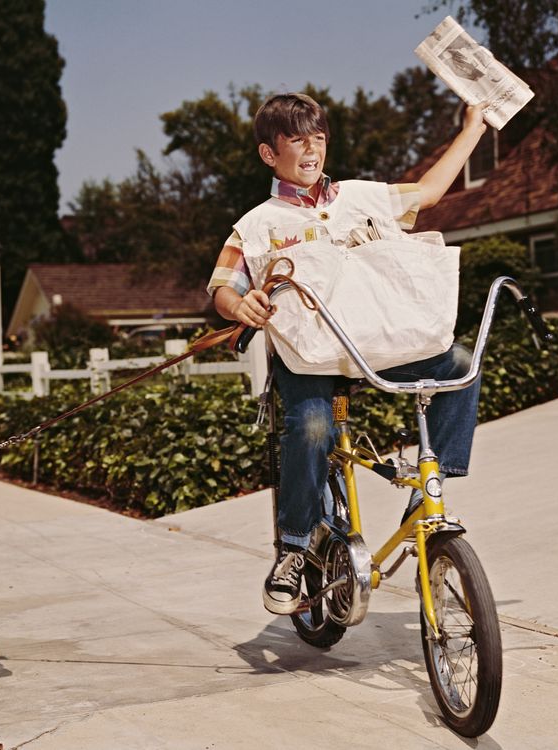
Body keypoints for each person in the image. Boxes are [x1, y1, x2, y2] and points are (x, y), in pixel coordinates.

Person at [206, 92, 488, 615]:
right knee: (311, 426)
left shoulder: (362, 197)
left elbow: (427, 192)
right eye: (296, 139)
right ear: (270, 154)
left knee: (458, 363)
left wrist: (473, 125)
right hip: (308, 357)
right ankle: (293, 546)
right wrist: (239, 303)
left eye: (317, 138)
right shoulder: (258, 223)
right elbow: (223, 286)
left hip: (372, 345)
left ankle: (432, 487)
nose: (311, 149)